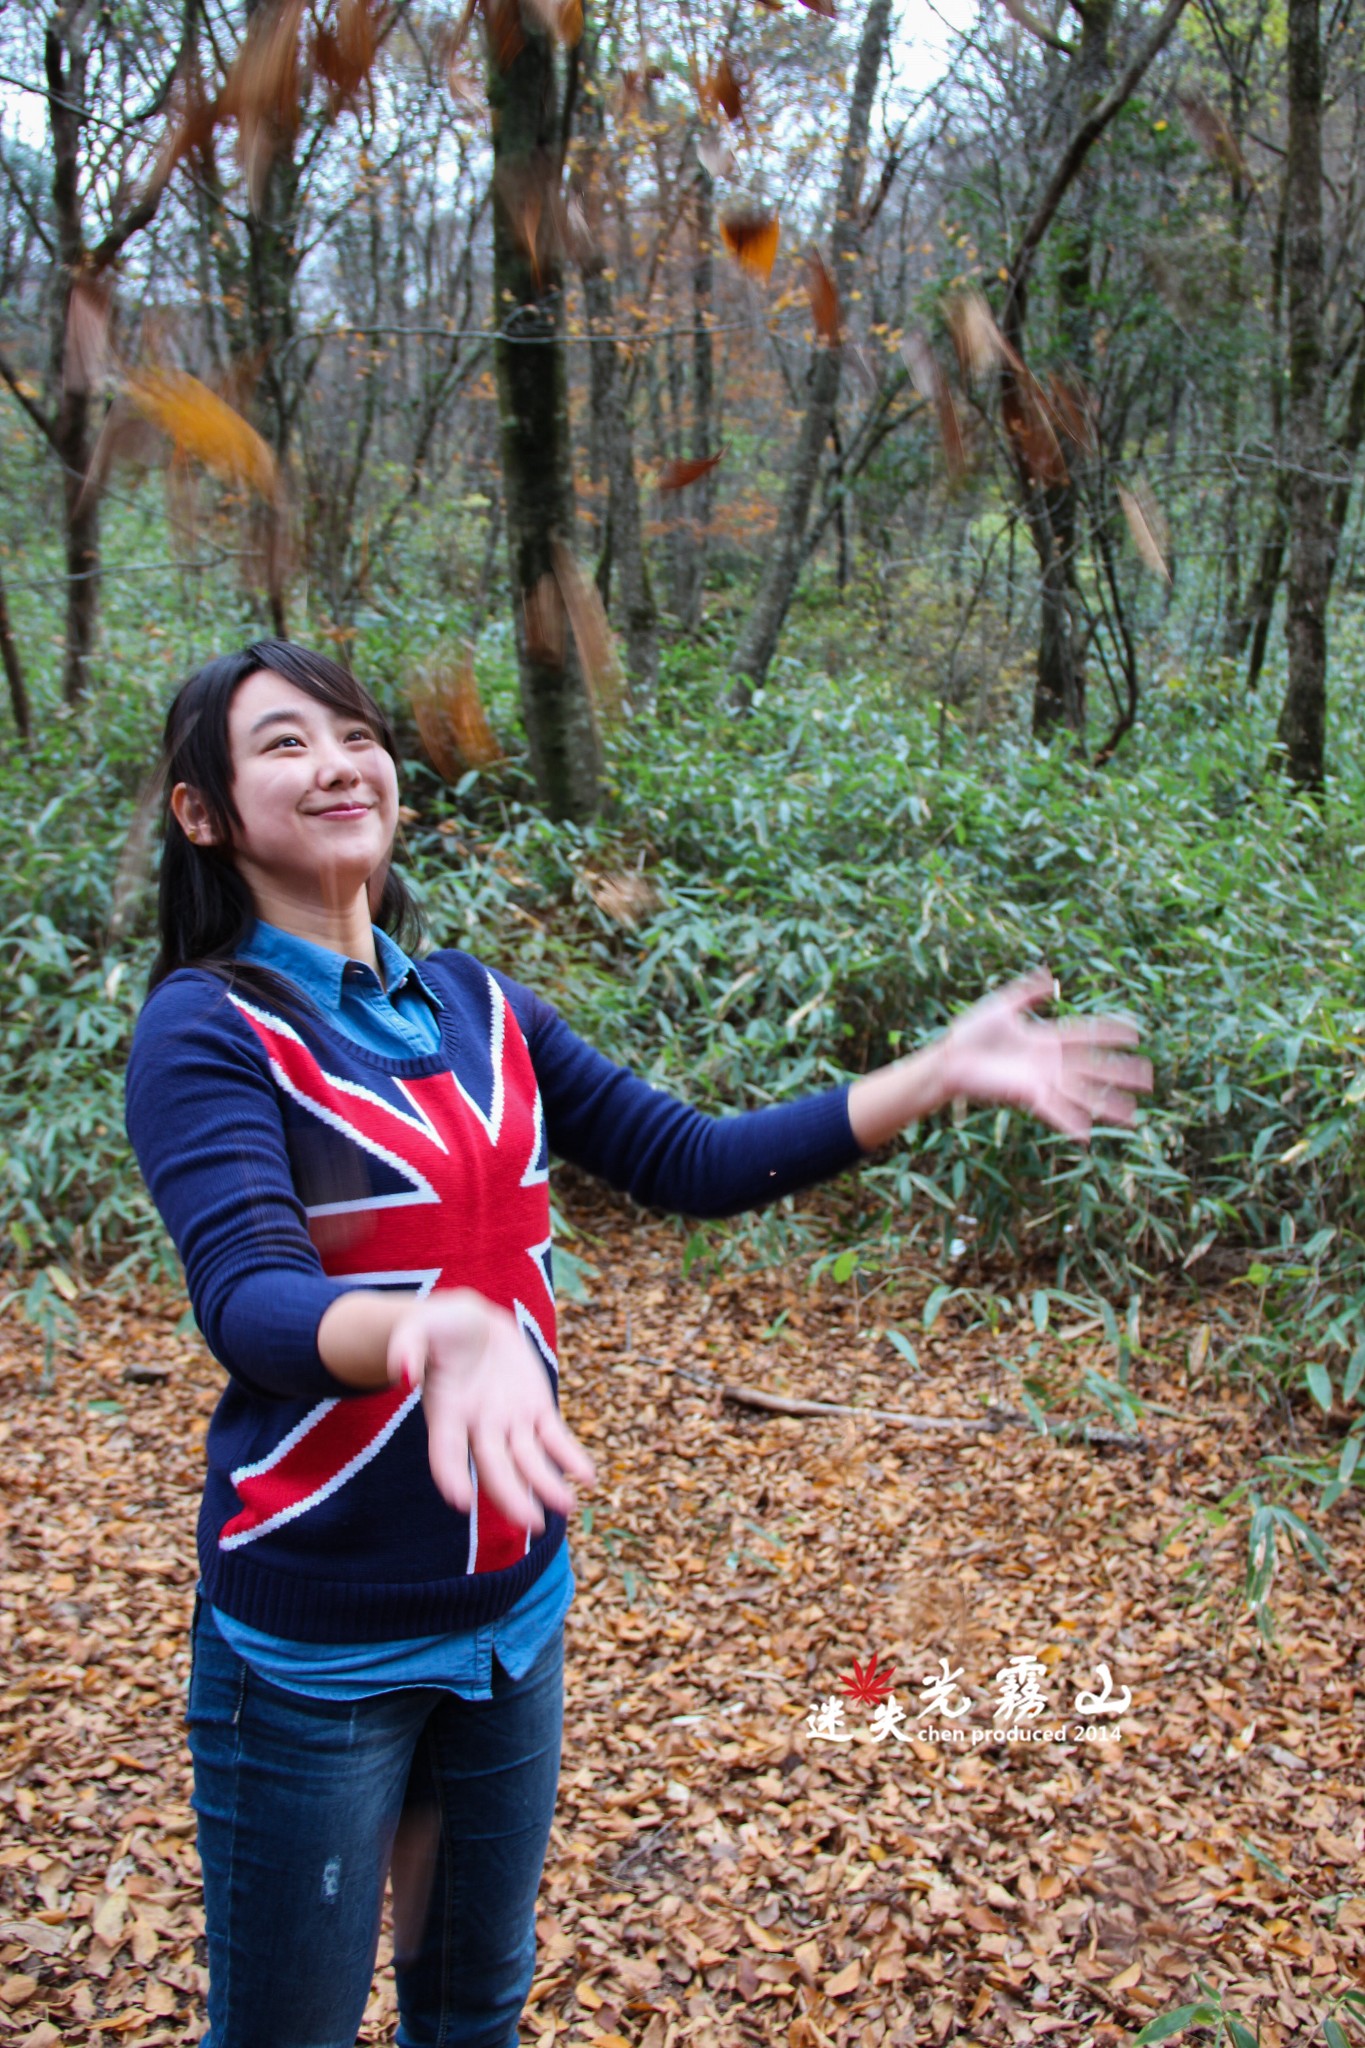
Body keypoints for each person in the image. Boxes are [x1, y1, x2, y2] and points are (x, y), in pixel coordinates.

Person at [125, 639, 1151, 2048]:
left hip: (512, 1621)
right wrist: (429, 1327)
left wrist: (936, 1073)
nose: (340, 764)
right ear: (203, 812)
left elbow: (692, 1160)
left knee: (473, 2011)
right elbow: (250, 1300)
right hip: (316, 1650)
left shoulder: (481, 1008)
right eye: (284, 743)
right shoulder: (209, 1028)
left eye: (355, 734)